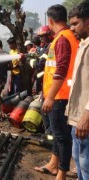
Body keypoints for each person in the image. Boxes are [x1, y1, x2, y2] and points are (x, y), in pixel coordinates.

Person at [34, 4, 79, 180]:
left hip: (60, 96)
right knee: (57, 133)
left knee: (62, 137)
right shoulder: (66, 36)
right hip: (60, 95)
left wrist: (50, 97)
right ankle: (53, 164)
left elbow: (60, 70)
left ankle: (61, 173)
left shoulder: (62, 39)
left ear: (50, 20)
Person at [66, 2, 89, 179]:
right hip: (77, 118)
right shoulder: (83, 44)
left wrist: (86, 117)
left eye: (75, 23)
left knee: (86, 165)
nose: (72, 27)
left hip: (85, 120)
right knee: (80, 163)